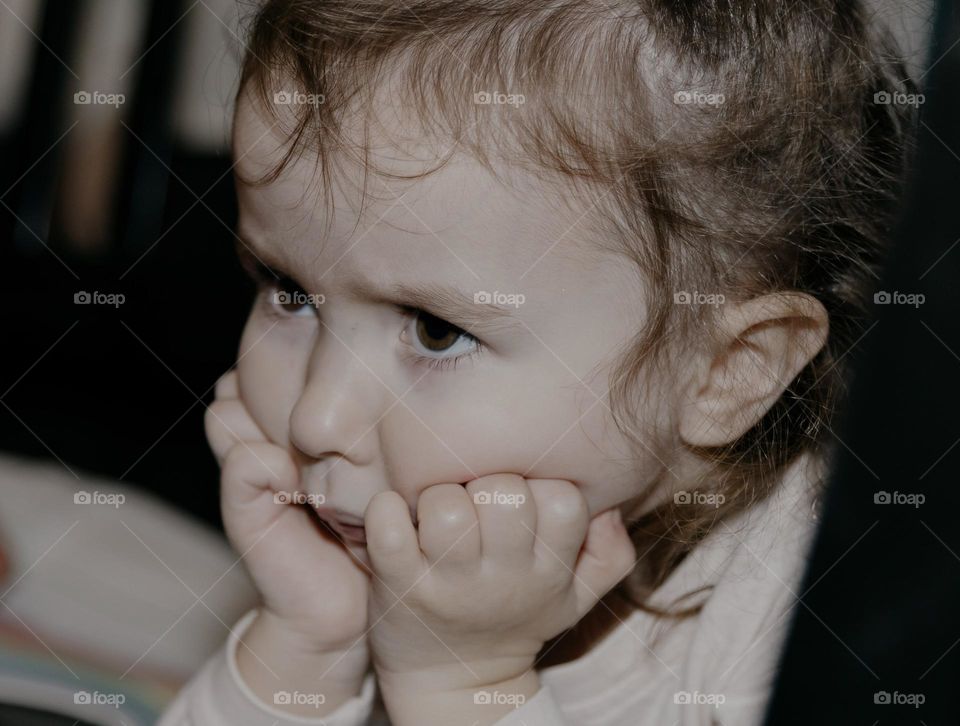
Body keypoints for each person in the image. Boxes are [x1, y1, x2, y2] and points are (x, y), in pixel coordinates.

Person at [158, 1, 918, 723]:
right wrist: (309, 639)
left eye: (434, 331)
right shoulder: (377, 537)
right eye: (289, 290)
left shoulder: (807, 613)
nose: (313, 416)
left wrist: (461, 681)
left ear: (729, 372)